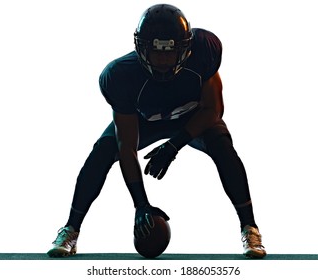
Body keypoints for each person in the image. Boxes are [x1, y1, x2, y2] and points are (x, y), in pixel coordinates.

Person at [47, 3, 266, 259]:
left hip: (193, 117)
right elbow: (126, 146)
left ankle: (249, 228)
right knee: (103, 150)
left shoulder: (204, 52)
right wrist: (140, 204)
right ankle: (71, 229)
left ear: (185, 49)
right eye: (156, 52)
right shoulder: (120, 76)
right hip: (145, 120)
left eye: (169, 52)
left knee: (222, 146)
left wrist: (175, 144)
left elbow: (213, 110)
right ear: (141, 49)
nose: (162, 61)